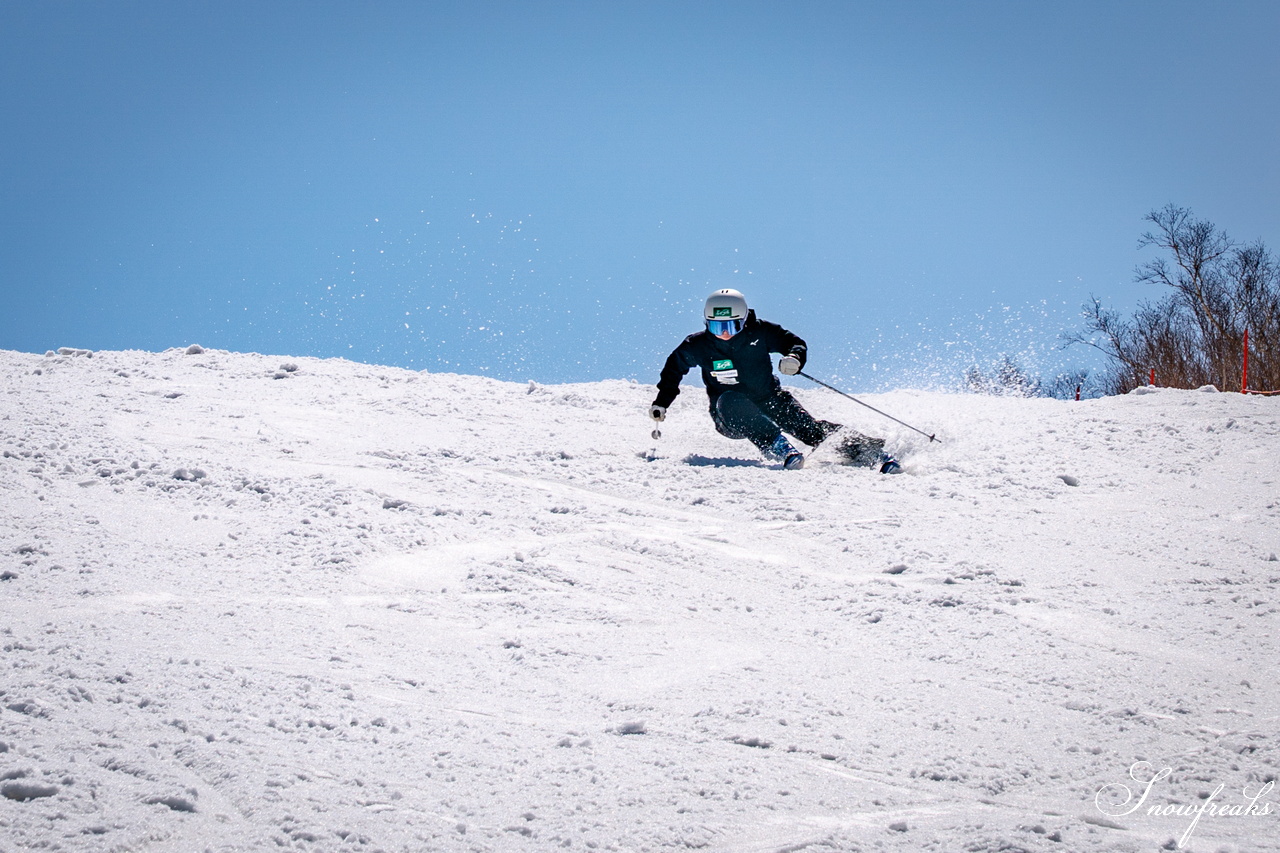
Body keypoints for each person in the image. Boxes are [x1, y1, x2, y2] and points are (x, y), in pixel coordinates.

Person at [649, 288, 900, 472]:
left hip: (770, 399)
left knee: (810, 429)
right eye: (717, 328)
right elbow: (673, 371)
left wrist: (794, 358)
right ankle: (779, 447)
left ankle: (871, 451)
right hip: (729, 415)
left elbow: (794, 343)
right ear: (707, 324)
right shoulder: (698, 345)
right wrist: (662, 402)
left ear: (744, 321)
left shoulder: (761, 332)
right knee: (730, 399)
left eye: (732, 327)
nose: (724, 334)